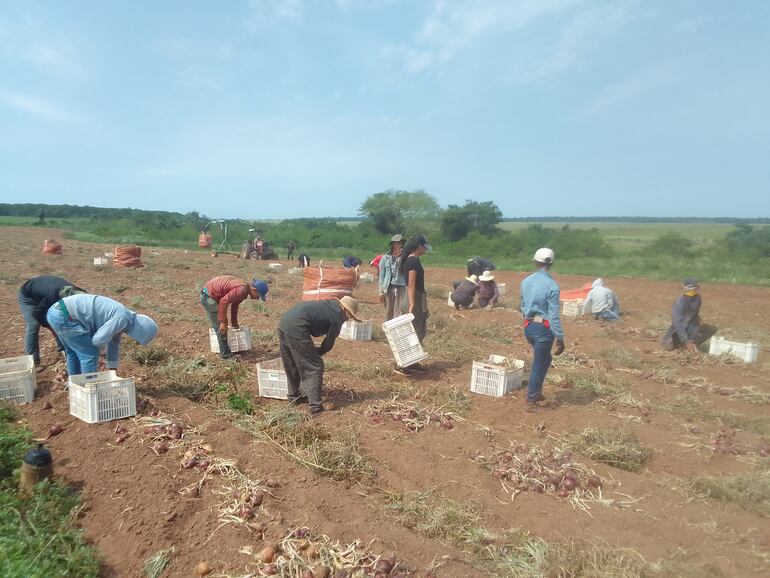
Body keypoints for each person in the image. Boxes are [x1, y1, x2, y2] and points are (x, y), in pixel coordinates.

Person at [278, 296, 361, 415]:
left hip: (284, 323)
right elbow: (329, 342)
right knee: (315, 366)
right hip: (297, 326)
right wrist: (318, 353)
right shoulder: (338, 316)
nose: (348, 319)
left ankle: (293, 396)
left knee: (292, 362)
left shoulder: (330, 306)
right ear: (346, 311)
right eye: (350, 316)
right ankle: (315, 406)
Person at [46, 294, 158, 376]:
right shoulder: (122, 319)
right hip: (64, 317)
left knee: (73, 352)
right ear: (140, 332)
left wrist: (112, 374)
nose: (135, 340)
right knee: (89, 353)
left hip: (56, 312)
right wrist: (99, 351)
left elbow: (114, 346)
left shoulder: (124, 318)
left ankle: (75, 386)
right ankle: (90, 389)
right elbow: (98, 340)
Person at [520, 248, 565, 407]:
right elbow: (553, 315)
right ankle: (530, 399)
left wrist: (527, 324)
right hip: (543, 330)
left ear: (536, 262)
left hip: (529, 326)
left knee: (545, 358)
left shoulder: (525, 282)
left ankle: (536, 392)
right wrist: (560, 337)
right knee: (539, 363)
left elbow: (523, 306)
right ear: (551, 263)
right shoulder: (552, 286)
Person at [18, 275, 86, 369]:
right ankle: (33, 362)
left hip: (42, 293)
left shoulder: (74, 291)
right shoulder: (52, 296)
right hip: (28, 297)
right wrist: (52, 327)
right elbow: (39, 315)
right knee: (33, 325)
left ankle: (63, 349)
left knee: (61, 322)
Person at [200, 276, 267, 359]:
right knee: (220, 327)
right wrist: (224, 322)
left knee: (222, 323)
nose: (258, 298)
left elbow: (235, 304)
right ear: (254, 290)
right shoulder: (241, 290)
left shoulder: (244, 290)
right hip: (208, 298)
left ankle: (225, 350)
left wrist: (234, 321)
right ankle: (225, 355)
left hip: (212, 295)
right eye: (259, 295)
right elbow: (223, 302)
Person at [397, 234, 431, 374]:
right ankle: (405, 364)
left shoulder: (410, 260)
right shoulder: (413, 261)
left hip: (413, 298)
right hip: (414, 299)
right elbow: (411, 284)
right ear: (419, 246)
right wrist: (412, 305)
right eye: (424, 246)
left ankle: (412, 362)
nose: (425, 249)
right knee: (415, 331)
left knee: (416, 331)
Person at [661, 278, 717, 351]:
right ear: (685, 288)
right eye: (690, 287)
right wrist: (686, 341)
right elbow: (678, 324)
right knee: (671, 347)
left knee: (711, 329)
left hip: (693, 327)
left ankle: (693, 345)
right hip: (679, 331)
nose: (692, 289)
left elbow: (695, 313)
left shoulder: (698, 298)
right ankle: (686, 345)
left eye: (695, 287)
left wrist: (698, 320)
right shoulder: (680, 302)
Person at [378, 234, 406, 321]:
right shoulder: (385, 258)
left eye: (401, 243)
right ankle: (388, 328)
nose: (400, 245)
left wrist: (400, 257)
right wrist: (380, 292)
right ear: (392, 244)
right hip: (388, 286)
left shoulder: (405, 258)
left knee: (399, 309)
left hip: (401, 286)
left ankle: (397, 328)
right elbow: (381, 276)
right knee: (388, 310)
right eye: (397, 243)